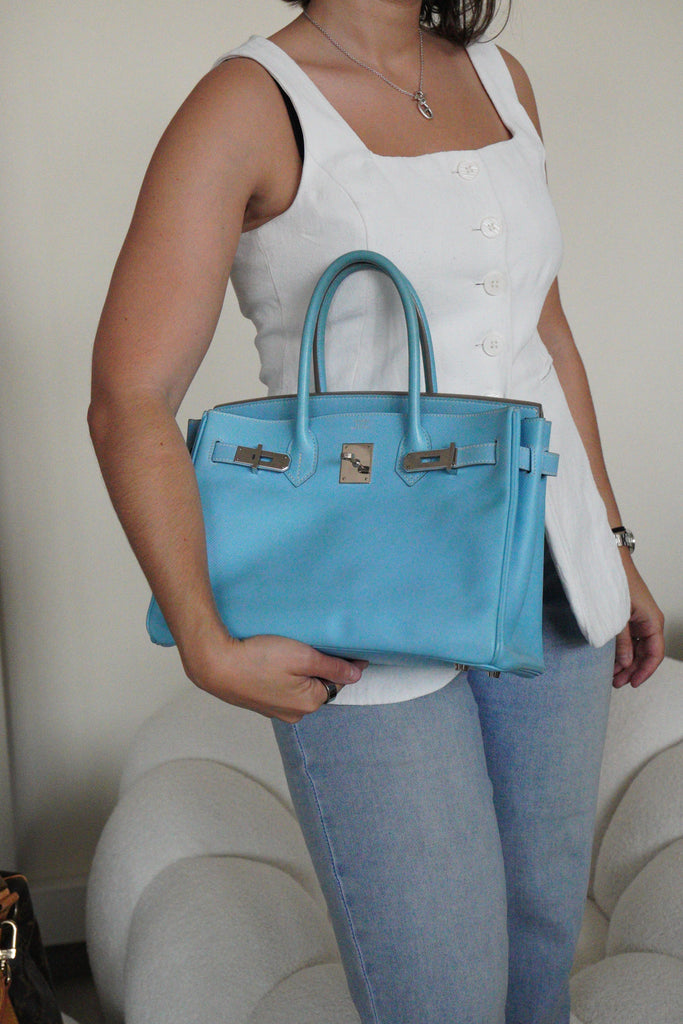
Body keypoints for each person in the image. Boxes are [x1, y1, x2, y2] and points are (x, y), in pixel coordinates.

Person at [88, 2, 665, 1021]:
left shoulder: (500, 79)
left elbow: (544, 331)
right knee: (439, 991)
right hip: (360, 601)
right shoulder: (248, 102)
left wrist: (610, 545)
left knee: (539, 955)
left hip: (546, 570)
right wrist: (203, 640)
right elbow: (129, 397)